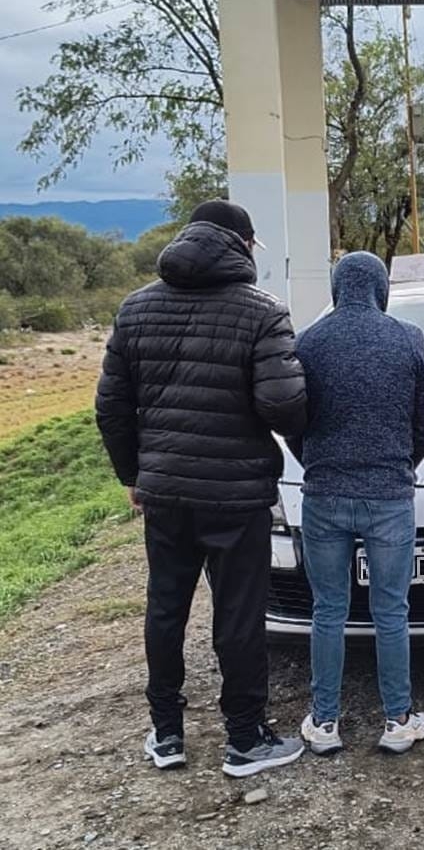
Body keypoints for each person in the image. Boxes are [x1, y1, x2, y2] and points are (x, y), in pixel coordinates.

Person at [95, 199, 308, 777]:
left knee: (165, 608)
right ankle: (245, 738)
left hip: (164, 491)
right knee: (239, 614)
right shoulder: (262, 311)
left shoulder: (135, 308)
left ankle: (166, 733)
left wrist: (132, 475)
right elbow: (283, 406)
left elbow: (111, 407)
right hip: (237, 494)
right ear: (244, 245)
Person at [288, 251, 424, 755]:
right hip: (389, 495)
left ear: (336, 289)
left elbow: (293, 423)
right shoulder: (408, 338)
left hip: (324, 494)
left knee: (328, 609)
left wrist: (316, 462)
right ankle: (398, 720)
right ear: (381, 288)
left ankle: (324, 722)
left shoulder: (308, 342)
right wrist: (399, 465)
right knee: (390, 610)